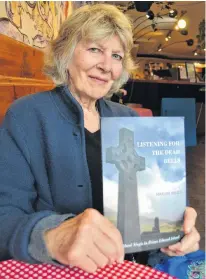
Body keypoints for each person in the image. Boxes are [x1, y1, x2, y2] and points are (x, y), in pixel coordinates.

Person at [0, 4, 201, 275]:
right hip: (67, 270)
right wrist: (52, 236)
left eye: (116, 55)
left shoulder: (128, 119)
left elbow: (150, 200)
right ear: (66, 52)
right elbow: (5, 215)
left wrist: (175, 226)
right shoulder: (26, 116)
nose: (106, 66)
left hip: (136, 266)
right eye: (95, 49)